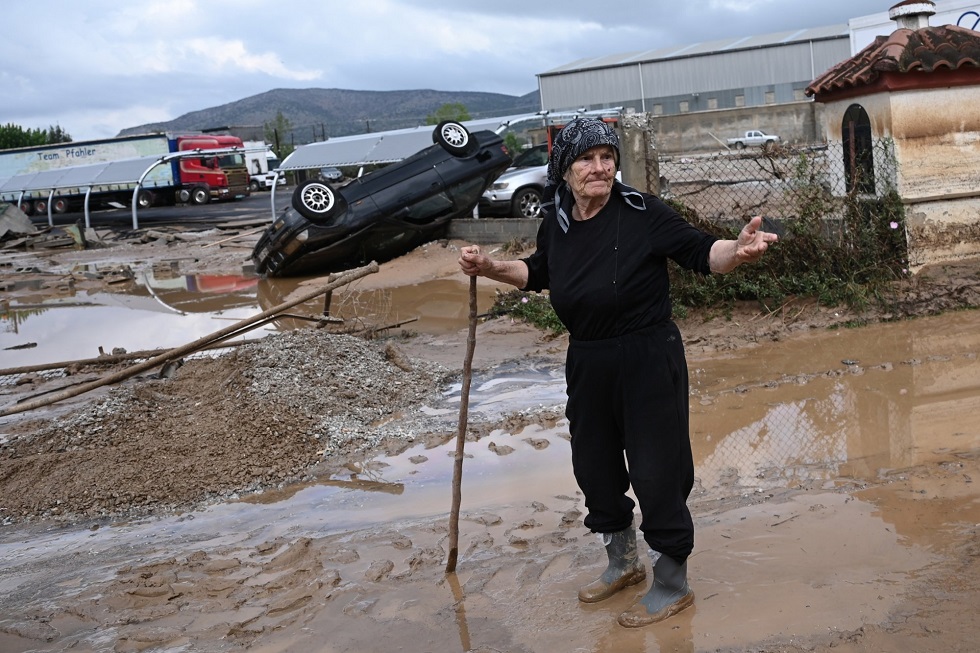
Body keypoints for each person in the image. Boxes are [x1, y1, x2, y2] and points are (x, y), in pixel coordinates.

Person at [458, 117, 777, 627]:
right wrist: (491, 266)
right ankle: (623, 562)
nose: (600, 167)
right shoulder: (557, 216)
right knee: (595, 468)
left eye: (608, 158)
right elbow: (540, 271)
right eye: (587, 159)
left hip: (646, 355)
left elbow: (701, 252)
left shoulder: (641, 212)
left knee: (657, 470)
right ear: (564, 168)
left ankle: (672, 581)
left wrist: (735, 251)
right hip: (587, 358)